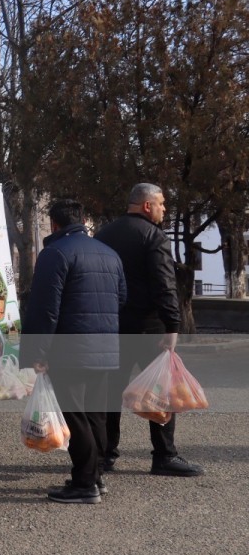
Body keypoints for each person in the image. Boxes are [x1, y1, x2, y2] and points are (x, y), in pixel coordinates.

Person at [94, 183, 204, 477]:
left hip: (111, 327)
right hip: (148, 328)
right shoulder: (153, 237)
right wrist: (173, 324)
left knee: (108, 394)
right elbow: (164, 283)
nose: (164, 209)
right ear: (147, 206)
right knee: (162, 391)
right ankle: (164, 455)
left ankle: (104, 456)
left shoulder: (103, 235)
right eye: (161, 204)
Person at [21, 199, 126, 504]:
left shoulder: (54, 254)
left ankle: (84, 483)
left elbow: (44, 309)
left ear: (54, 224)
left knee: (74, 415)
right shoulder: (109, 254)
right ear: (81, 219)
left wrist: (37, 352)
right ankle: (95, 476)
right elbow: (121, 299)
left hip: (69, 349)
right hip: (106, 347)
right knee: (96, 414)